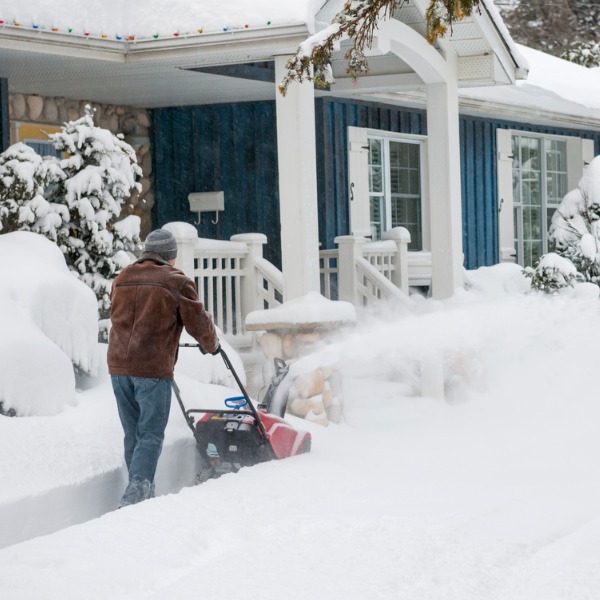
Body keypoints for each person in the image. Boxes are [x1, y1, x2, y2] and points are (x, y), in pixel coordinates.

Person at [107, 228, 219, 507]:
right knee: (151, 434)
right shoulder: (176, 281)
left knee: (134, 433)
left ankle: (143, 496)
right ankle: (134, 497)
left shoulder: (122, 278)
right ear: (170, 257)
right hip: (151, 368)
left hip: (118, 368)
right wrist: (212, 344)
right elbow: (199, 322)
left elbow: (118, 316)